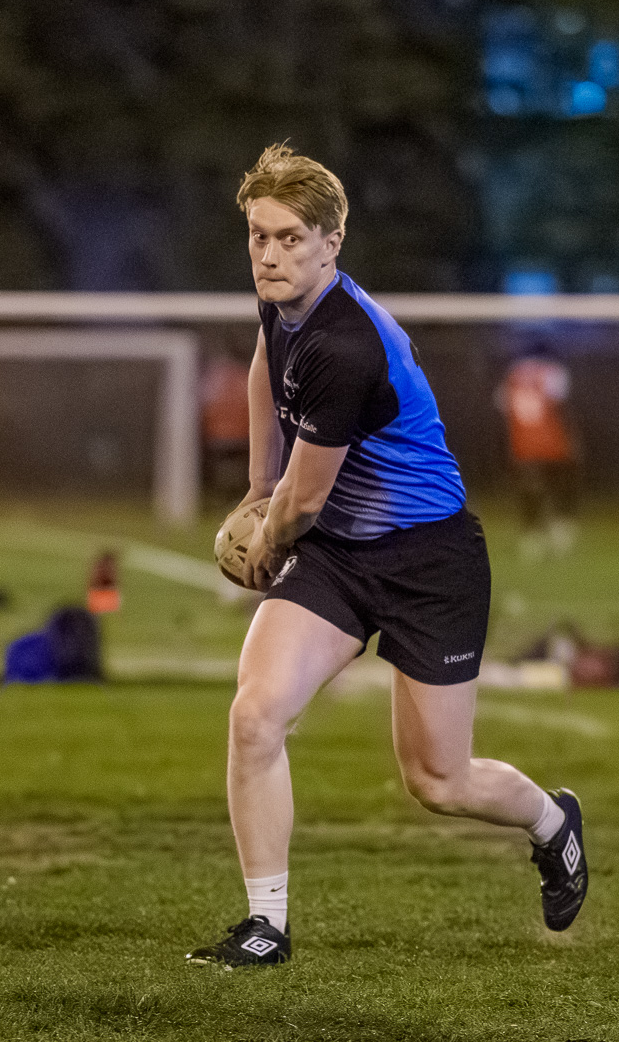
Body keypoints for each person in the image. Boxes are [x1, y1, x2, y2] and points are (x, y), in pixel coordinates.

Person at [186, 144, 587, 968]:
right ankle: (266, 925)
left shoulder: (346, 346)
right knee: (256, 715)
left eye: (289, 238)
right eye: (258, 236)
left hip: (427, 563)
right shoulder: (282, 303)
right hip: (338, 553)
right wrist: (258, 482)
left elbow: (303, 501)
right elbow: (267, 367)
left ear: (333, 242)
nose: (269, 254)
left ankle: (552, 822)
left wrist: (266, 528)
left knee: (438, 782)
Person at [494, 341, 579, 559]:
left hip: (523, 445)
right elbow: (561, 400)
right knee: (557, 488)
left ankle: (533, 536)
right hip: (553, 443)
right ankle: (558, 531)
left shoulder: (513, 374)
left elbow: (502, 404)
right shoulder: (552, 372)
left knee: (529, 492)